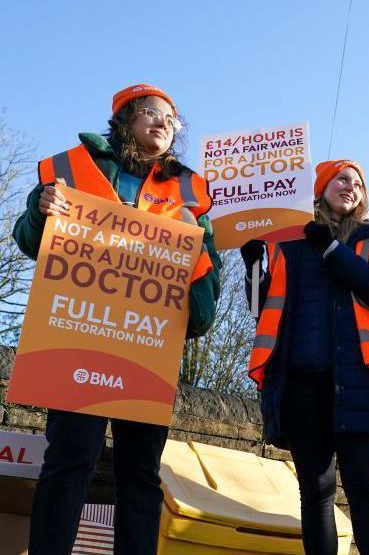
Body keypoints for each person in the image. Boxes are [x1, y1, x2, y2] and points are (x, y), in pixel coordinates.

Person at [13, 83, 221, 554]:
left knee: (141, 474)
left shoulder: (189, 190)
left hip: (148, 347)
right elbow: (29, 241)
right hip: (79, 338)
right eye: (153, 112)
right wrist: (38, 209)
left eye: (173, 118)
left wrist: (199, 278)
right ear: (126, 118)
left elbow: (206, 282)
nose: (165, 123)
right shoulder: (73, 168)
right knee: (70, 460)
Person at [241, 159, 369, 555]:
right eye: (342, 179)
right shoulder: (287, 241)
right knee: (315, 492)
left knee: (365, 488)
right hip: (299, 383)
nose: (352, 187)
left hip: (362, 379)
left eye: (359, 184)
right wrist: (251, 265)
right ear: (321, 187)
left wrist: (328, 247)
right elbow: (260, 307)